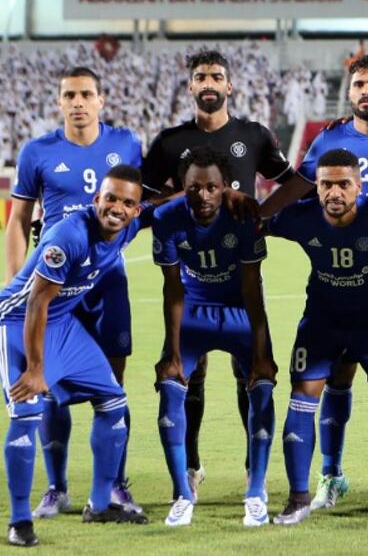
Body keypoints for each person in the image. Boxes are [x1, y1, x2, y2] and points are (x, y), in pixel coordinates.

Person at [260, 54, 368, 511]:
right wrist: (254, 214)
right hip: (339, 280)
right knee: (337, 373)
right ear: (351, 91)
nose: (364, 91)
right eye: (358, 83)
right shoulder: (330, 139)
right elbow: (300, 188)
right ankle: (331, 476)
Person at [142, 50, 295, 497]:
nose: (208, 83)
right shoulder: (169, 142)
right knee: (194, 372)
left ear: (230, 87)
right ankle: (190, 464)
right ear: (190, 87)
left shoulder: (254, 135)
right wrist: (178, 201)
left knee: (246, 371)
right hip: (191, 275)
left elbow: (292, 181)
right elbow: (146, 203)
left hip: (242, 271)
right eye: (200, 77)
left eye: (217, 76)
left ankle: (253, 467)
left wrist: (261, 214)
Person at [5, 66, 144, 517]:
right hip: (54, 278)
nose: (78, 102)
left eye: (86, 94)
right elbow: (18, 222)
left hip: (107, 281)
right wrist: (18, 284)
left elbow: (142, 204)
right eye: (70, 95)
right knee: (47, 384)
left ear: (101, 100)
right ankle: (56, 486)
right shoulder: (37, 152)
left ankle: (114, 485)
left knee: (112, 383)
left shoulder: (126, 145)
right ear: (59, 102)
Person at [0, 166, 151, 547]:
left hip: (63, 325)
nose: (116, 207)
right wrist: (36, 370)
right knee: (27, 412)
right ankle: (19, 522)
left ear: (136, 210)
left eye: (127, 202)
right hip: (17, 323)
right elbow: (36, 302)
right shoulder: (67, 236)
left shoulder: (129, 226)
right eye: (111, 198)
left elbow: (163, 205)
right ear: (97, 198)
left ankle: (99, 505)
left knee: (114, 402)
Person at [151, 147, 278, 527]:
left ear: (226, 188)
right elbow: (172, 290)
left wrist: (260, 351)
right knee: (170, 388)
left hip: (239, 311)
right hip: (192, 313)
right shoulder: (166, 218)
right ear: (182, 188)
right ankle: (183, 494)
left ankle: (256, 491)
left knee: (262, 385)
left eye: (211, 188)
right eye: (194, 188)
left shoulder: (243, 217)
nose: (203, 196)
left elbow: (253, 287)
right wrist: (172, 353)